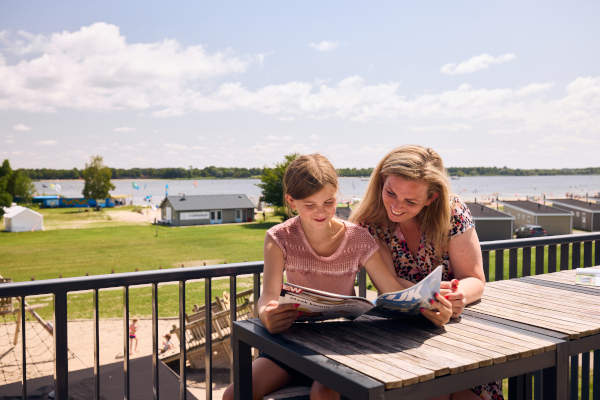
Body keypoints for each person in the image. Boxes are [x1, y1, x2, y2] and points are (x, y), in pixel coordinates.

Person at [223, 153, 448, 400]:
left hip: (341, 344)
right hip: (291, 342)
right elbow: (267, 299)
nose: (321, 212)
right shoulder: (279, 237)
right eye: (310, 205)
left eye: (328, 202)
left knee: (324, 392)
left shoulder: (358, 238)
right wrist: (268, 315)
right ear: (291, 201)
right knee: (233, 395)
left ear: (337, 195)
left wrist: (427, 302)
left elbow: (390, 289)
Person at [350, 145, 500, 400]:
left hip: (458, 333)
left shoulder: (454, 213)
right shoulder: (370, 224)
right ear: (381, 183)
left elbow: (474, 279)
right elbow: (389, 285)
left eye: (410, 201)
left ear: (431, 198)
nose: (396, 206)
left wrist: (455, 297)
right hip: (401, 334)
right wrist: (426, 303)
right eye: (390, 193)